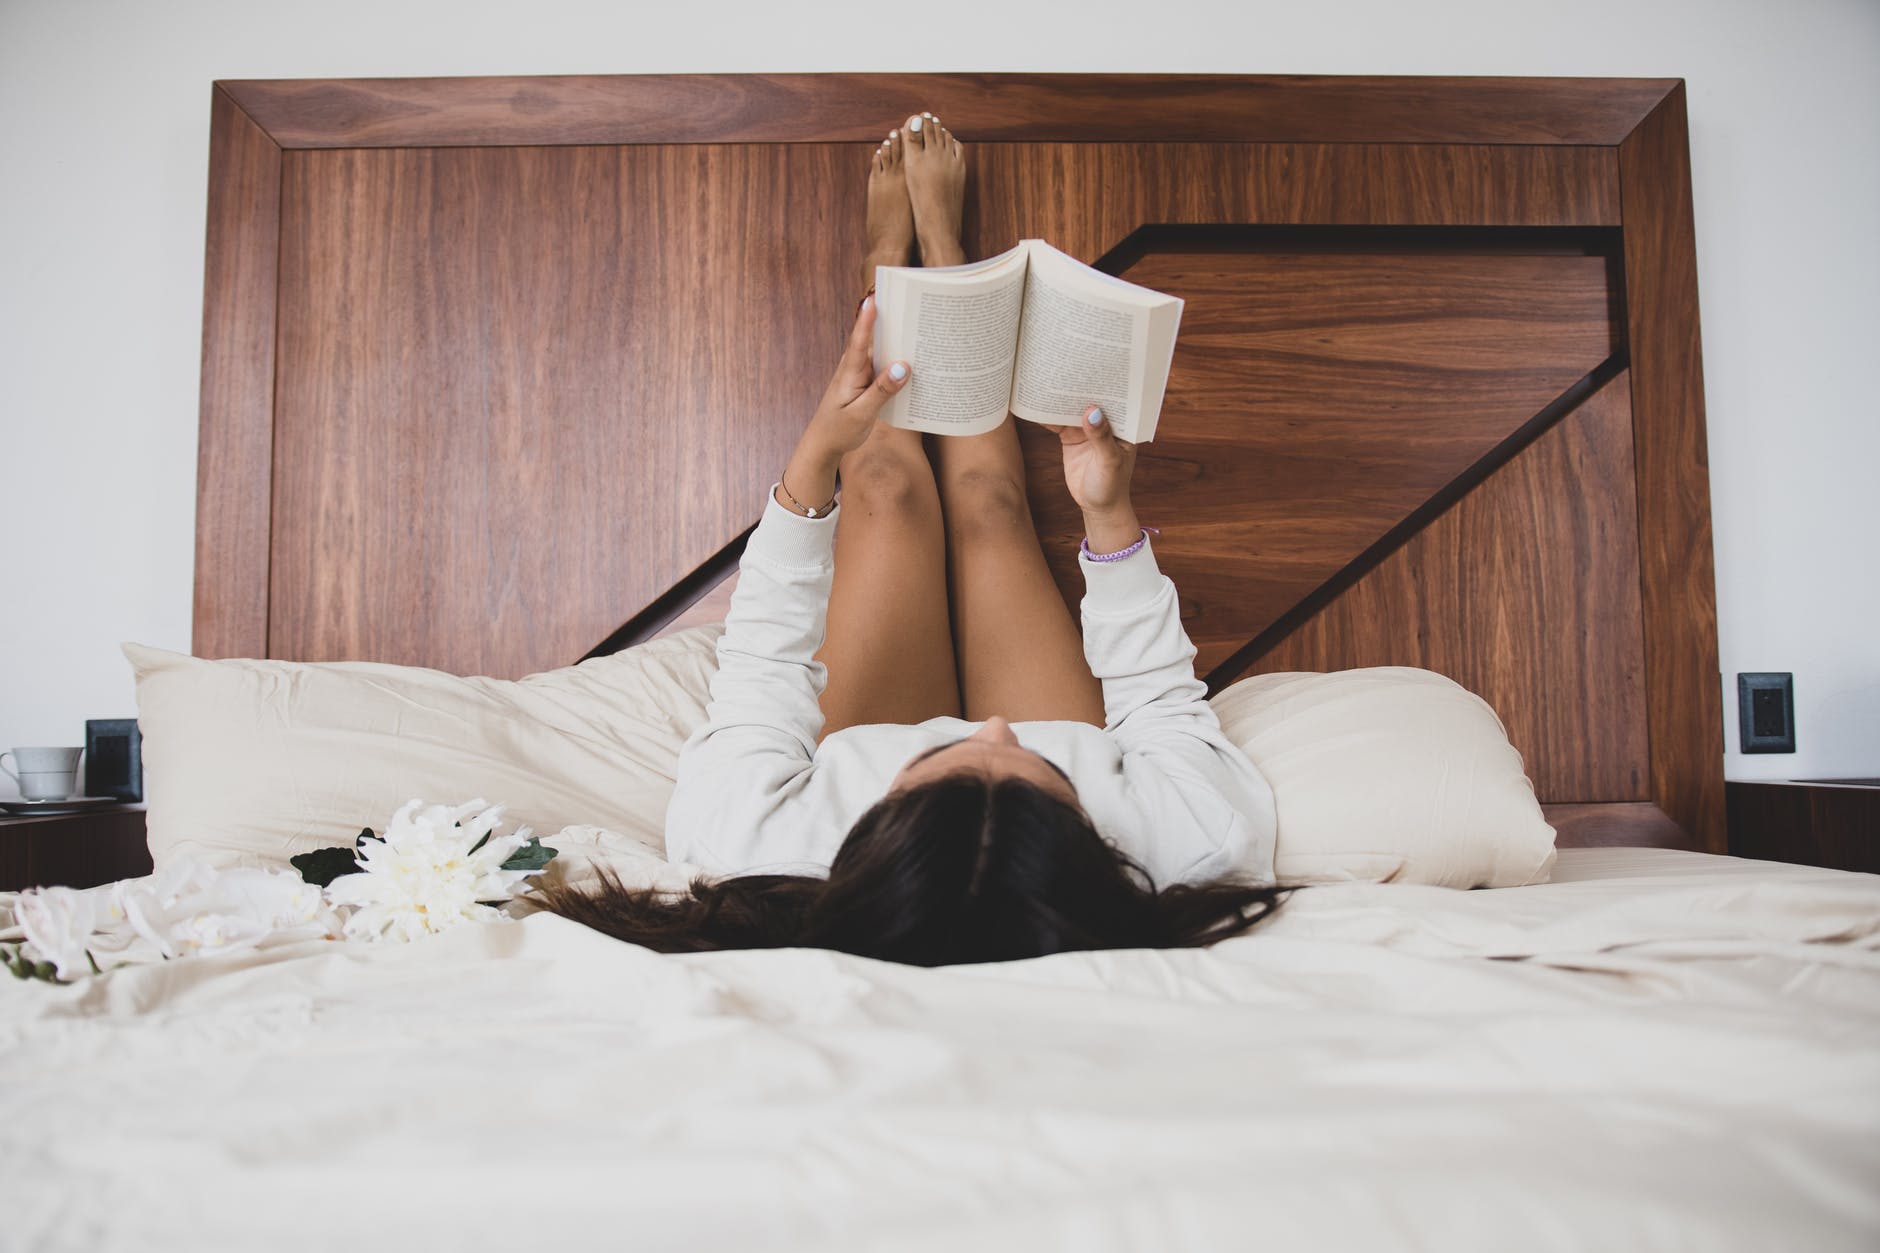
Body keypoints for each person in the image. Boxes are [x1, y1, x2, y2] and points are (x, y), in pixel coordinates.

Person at [537, 114, 1291, 965]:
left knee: (886, 489)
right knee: (990, 507)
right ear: (1095, 850)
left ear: (872, 836)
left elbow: (762, 671)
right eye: (1053, 783)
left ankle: (886, 276)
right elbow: (1158, 704)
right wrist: (1108, 510)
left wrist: (815, 458)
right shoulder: (1191, 845)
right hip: (1044, 788)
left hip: (859, 739)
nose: (999, 728)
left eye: (953, 754)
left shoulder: (754, 848)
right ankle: (948, 261)